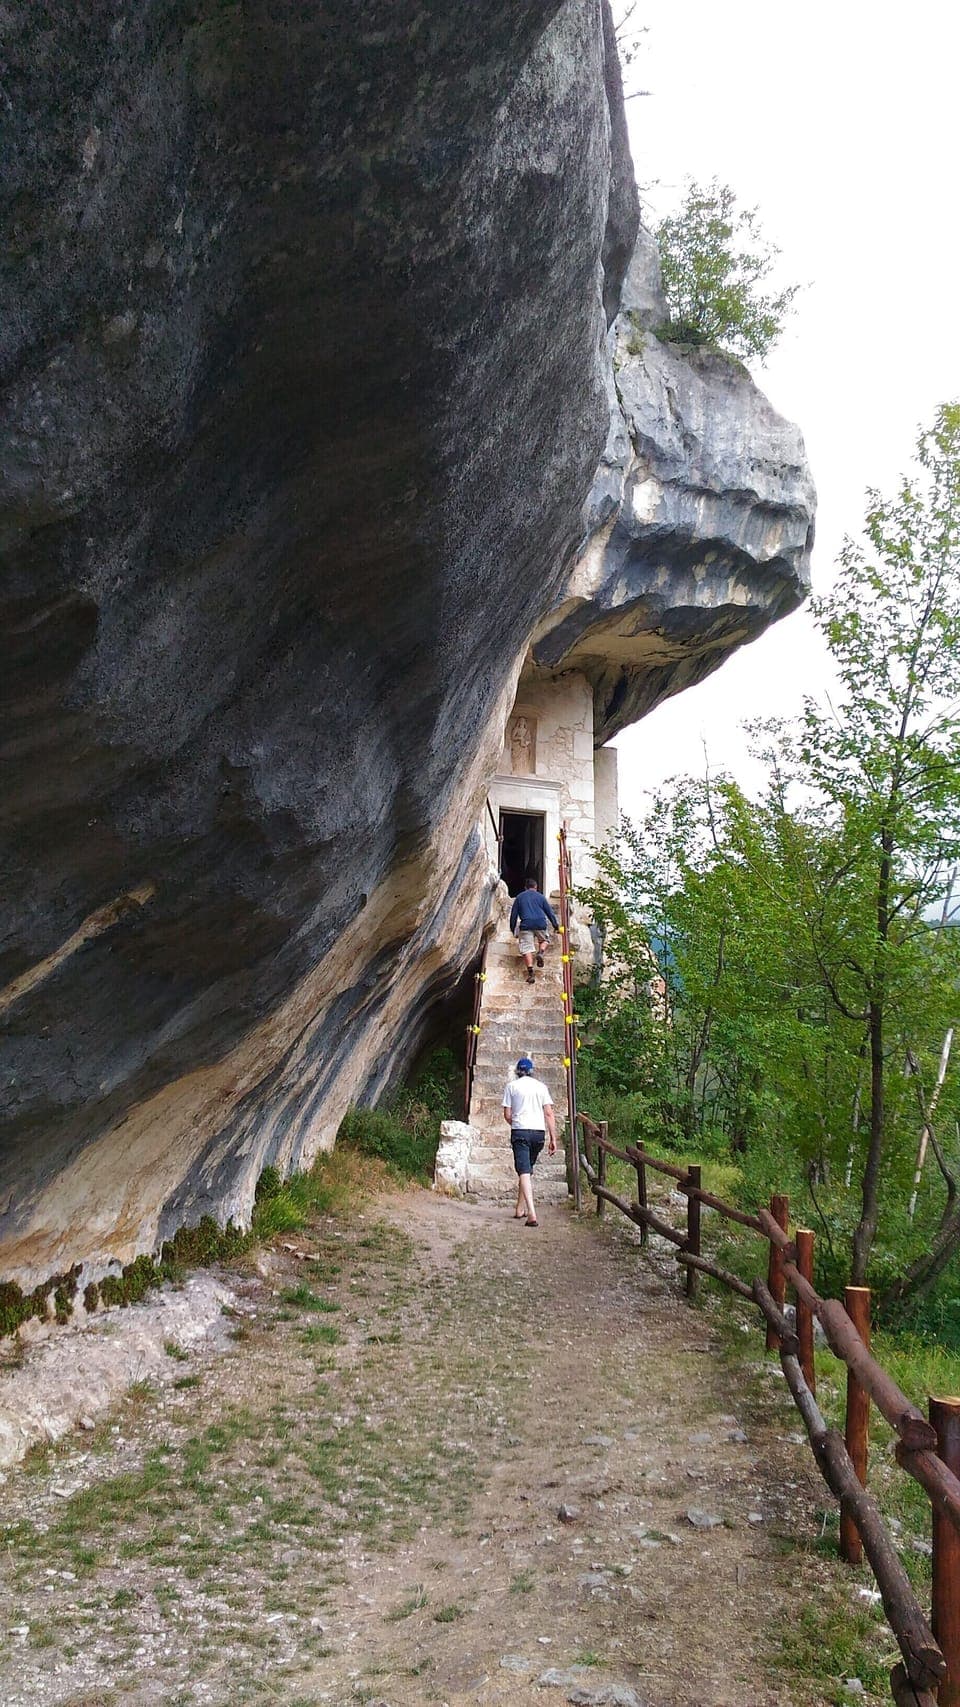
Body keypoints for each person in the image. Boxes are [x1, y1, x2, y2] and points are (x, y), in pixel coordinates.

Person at [502, 1055, 556, 1226]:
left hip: (520, 1131)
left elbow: (507, 1115)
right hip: (538, 1133)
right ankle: (520, 1208)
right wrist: (553, 1138)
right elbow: (548, 1113)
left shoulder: (511, 1087)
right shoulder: (541, 1087)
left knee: (524, 1171)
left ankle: (532, 1213)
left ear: (517, 1072)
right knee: (527, 1169)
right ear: (532, 1072)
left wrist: (517, 1123)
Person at [509, 877, 559, 984]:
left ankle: (531, 973)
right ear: (536, 887)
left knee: (526, 948)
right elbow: (550, 912)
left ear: (525, 888)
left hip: (526, 924)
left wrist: (512, 928)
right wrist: (556, 926)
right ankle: (540, 952)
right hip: (540, 923)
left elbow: (514, 915)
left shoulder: (519, 897)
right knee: (544, 940)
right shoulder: (541, 897)